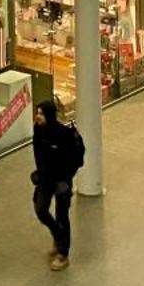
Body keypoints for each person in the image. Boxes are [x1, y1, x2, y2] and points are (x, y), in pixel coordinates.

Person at [31, 99, 86, 270]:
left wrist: (66, 178)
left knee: (62, 215)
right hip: (45, 179)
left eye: (41, 113)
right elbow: (38, 154)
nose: (37, 117)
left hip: (62, 181)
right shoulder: (38, 131)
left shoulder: (64, 135)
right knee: (40, 209)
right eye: (37, 113)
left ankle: (63, 253)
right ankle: (57, 234)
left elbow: (75, 159)